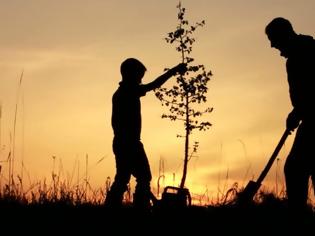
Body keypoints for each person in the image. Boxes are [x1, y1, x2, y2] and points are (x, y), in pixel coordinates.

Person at [105, 58, 187, 209]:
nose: (141, 80)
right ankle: (140, 209)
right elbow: (153, 85)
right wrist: (174, 71)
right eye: (139, 76)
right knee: (141, 177)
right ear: (130, 74)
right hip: (129, 142)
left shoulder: (122, 92)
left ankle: (114, 208)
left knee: (124, 178)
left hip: (123, 142)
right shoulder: (128, 91)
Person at [265, 17, 315, 214]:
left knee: (295, 168)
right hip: (309, 118)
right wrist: (297, 112)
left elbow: (311, 90)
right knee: (298, 167)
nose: (272, 45)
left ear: (284, 35)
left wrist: (299, 112)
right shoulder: (299, 55)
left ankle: (297, 217)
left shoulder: (306, 52)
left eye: (273, 39)